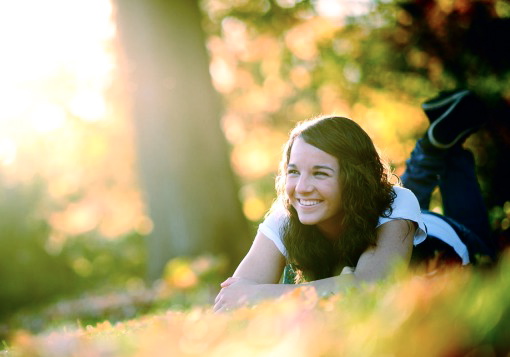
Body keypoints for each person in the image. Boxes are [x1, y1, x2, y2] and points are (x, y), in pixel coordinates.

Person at [213, 89, 495, 313]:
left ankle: (442, 147)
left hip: (451, 240)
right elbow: (232, 300)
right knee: (394, 197)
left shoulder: (396, 203)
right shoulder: (288, 214)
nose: (302, 187)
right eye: (293, 171)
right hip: (381, 221)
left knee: (414, 198)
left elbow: (371, 286)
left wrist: (262, 293)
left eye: (320, 173)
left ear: (352, 178)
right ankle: (436, 143)